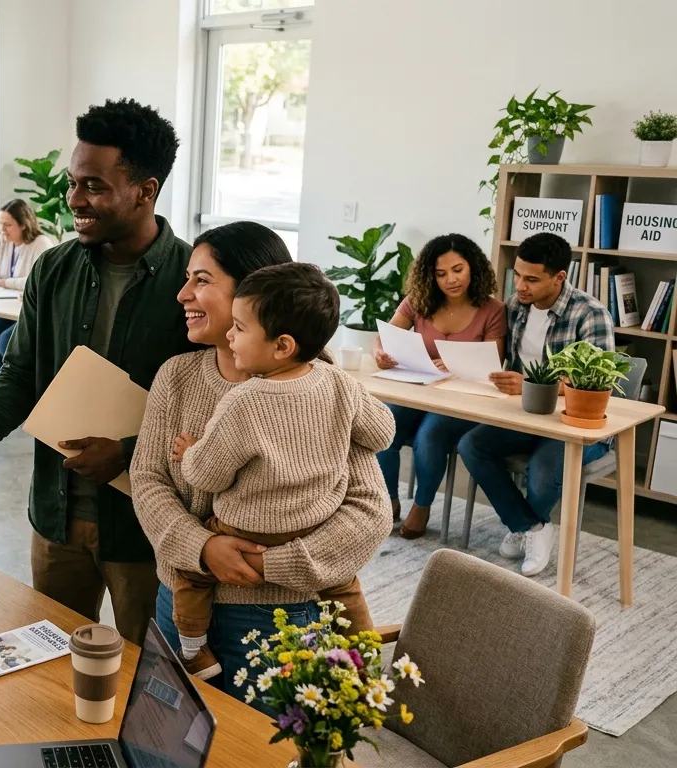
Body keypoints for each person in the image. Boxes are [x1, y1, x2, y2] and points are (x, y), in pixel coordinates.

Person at [0, 99, 197, 646]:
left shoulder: (191, 280)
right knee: (48, 662)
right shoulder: (54, 267)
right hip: (55, 514)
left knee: (148, 680)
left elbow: (211, 411)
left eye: (93, 186)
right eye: (74, 183)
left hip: (147, 527)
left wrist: (126, 450)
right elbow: (20, 374)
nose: (74, 201)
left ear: (145, 190)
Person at [130, 222, 393, 708]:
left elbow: (369, 510)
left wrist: (271, 564)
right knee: (171, 746)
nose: (184, 293)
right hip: (183, 603)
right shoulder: (177, 376)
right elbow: (148, 480)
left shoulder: (323, 387)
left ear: (252, 291)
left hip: (285, 615)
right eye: (188, 278)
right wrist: (203, 547)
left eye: (203, 280)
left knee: (271, 753)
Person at [458, 232, 614, 577]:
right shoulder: (515, 307)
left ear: (559, 277)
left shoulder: (590, 314)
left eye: (531, 279)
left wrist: (531, 386)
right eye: (517, 275)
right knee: (472, 445)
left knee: (542, 474)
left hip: (576, 424)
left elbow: (595, 383)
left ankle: (526, 526)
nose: (520, 286)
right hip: (524, 418)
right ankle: (531, 526)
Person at [372, 234, 506, 537]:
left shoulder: (492, 310)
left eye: (457, 270)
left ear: (473, 268)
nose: (451, 280)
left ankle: (422, 505)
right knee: (383, 426)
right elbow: (385, 337)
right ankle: (388, 501)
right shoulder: (417, 303)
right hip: (416, 390)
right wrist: (379, 353)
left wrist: (456, 363)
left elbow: (493, 360)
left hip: (461, 399)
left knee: (429, 436)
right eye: (441, 273)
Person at [0, 199, 57, 372]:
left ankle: (18, 387)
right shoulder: (4, 240)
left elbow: (36, 281)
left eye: (7, 224)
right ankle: (11, 385)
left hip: (31, 312)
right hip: (8, 310)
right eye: (1, 223)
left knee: (5, 342)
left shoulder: (41, 244)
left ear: (23, 224)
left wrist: (4, 283)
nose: (2, 229)